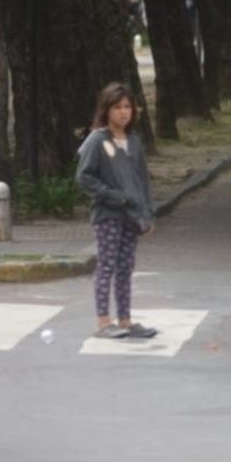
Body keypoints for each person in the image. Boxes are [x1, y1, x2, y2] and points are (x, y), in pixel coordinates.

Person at [76, 83, 158, 340]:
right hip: (108, 215)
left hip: (132, 215)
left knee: (125, 267)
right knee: (107, 265)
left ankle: (125, 320)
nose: (123, 113)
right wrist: (112, 196)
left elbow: (142, 180)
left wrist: (147, 213)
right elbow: (84, 177)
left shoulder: (133, 142)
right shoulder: (97, 140)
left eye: (127, 107)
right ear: (106, 110)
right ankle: (103, 322)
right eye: (117, 107)